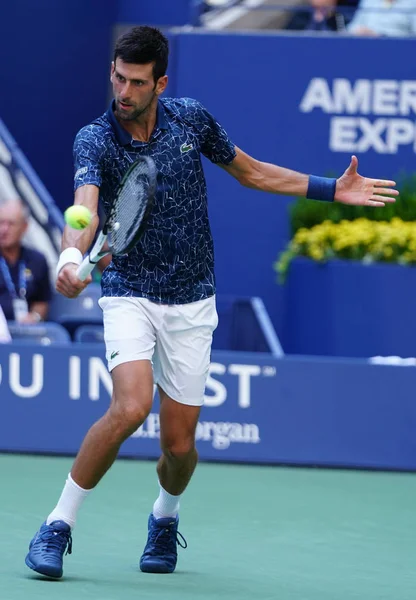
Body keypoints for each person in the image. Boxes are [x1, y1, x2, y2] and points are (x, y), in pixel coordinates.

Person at [25, 26, 398, 580]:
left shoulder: (191, 119)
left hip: (193, 301)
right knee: (129, 408)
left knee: (179, 447)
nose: (123, 92)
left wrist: (330, 188)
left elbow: (250, 172)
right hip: (129, 291)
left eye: (136, 82)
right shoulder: (94, 138)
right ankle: (58, 524)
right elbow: (85, 210)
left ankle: (164, 515)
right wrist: (66, 261)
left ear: (161, 83)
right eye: (118, 78)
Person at [0, 200, 51, 323]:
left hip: (27, 333)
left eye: (11, 224)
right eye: (1, 223)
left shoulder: (37, 260)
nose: (4, 229)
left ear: (24, 227)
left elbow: (42, 301)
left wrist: (35, 317)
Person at [347, 0, 416, 36]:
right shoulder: (368, 1)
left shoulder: (412, 3)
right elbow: (352, 27)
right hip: (367, 47)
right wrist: (359, 31)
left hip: (399, 50)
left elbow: (413, 36)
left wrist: (381, 36)